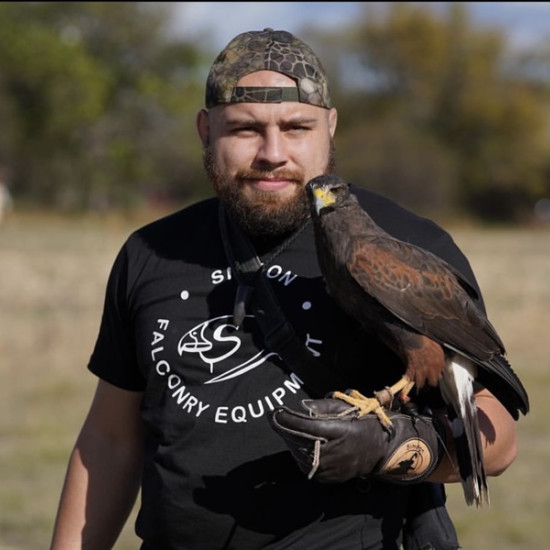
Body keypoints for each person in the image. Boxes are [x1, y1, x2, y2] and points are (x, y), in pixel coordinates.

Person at [50, 28, 520, 550]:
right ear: (206, 130)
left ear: (330, 128)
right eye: (246, 129)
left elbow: (496, 440)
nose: (273, 152)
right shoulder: (151, 252)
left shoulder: (405, 243)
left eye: (296, 127)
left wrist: (394, 447)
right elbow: (111, 442)